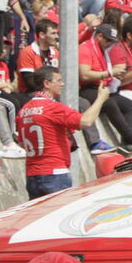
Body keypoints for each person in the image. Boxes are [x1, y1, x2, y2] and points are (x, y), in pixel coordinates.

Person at [17, 68, 110, 199]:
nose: (62, 84)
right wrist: (100, 98)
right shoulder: (53, 107)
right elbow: (86, 121)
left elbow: (21, 143)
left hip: (32, 175)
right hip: (55, 173)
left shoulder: (23, 110)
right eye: (59, 80)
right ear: (46, 83)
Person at [78, 25, 132, 150]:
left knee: (130, 105)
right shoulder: (85, 48)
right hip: (86, 88)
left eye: (112, 41)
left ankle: (127, 143)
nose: (110, 44)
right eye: (108, 40)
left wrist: (114, 74)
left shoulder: (102, 50)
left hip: (101, 86)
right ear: (99, 36)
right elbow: (84, 75)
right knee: (109, 103)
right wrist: (110, 73)